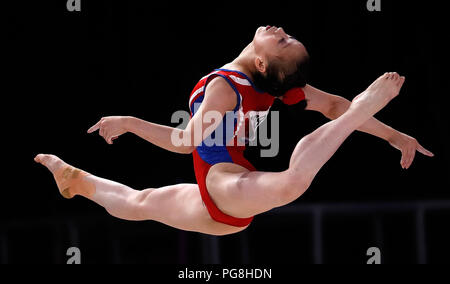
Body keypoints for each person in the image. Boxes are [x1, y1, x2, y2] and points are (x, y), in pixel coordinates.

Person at [35, 26, 434, 236]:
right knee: (141, 204)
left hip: (224, 188)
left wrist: (131, 123)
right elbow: (334, 107)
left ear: (262, 63)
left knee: (142, 205)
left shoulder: (226, 88)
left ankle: (78, 183)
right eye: (287, 37)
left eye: (283, 41)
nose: (281, 32)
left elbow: (187, 141)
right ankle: (76, 182)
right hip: (225, 192)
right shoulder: (266, 85)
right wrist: (391, 135)